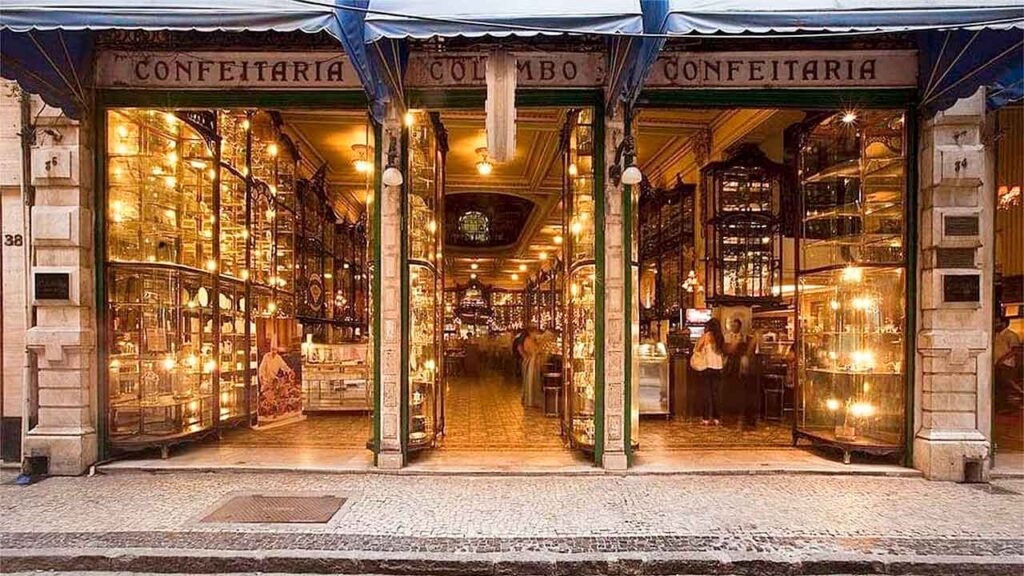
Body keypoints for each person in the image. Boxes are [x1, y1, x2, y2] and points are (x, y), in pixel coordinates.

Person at [694, 318, 726, 425]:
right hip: (718, 368)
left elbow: (697, 349)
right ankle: (717, 418)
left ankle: (706, 419)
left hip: (707, 367)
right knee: (716, 394)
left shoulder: (706, 336)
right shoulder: (720, 337)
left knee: (706, 394)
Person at [994, 317, 1022, 413]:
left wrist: (1002, 360)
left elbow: (1015, 350)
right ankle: (1002, 407)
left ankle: (1010, 406)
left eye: (997, 322)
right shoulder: (996, 334)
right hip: (996, 364)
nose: (995, 324)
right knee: (999, 386)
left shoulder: (1011, 335)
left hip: (1006, 365)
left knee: (1006, 386)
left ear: (1004, 323)